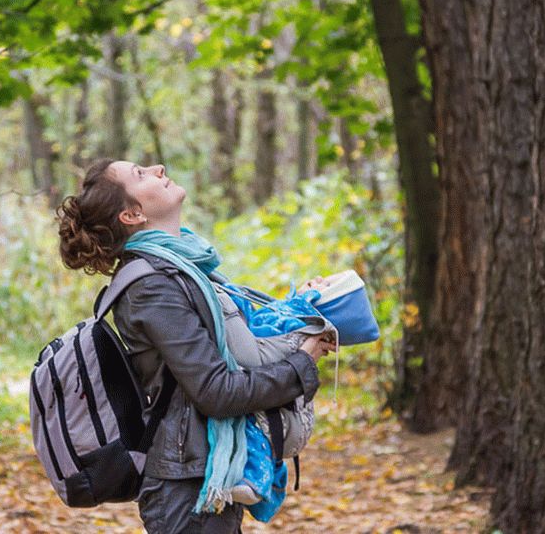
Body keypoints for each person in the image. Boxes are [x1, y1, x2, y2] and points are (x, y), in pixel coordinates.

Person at [56, 158, 336, 533]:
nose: (156, 168)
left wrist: (298, 312)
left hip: (202, 480)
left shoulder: (182, 269)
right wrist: (303, 362)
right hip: (185, 492)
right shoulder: (151, 287)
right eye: (140, 174)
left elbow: (243, 348)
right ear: (132, 214)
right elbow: (217, 391)